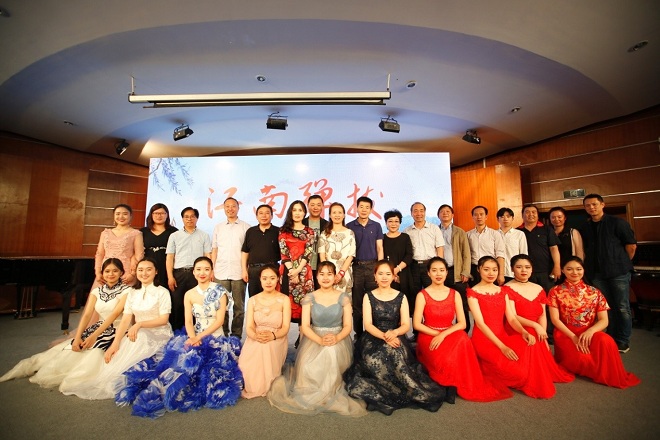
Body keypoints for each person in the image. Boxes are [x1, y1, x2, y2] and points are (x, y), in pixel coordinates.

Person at [116, 257, 242, 418]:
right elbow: (188, 321)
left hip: (215, 338)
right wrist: (192, 337)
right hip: (193, 336)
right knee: (177, 366)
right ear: (193, 272)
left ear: (212, 272)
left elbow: (220, 321)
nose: (202, 273)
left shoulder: (220, 291)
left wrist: (198, 338)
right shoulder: (189, 294)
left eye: (206, 269)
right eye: (198, 269)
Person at [0, 258, 130, 389]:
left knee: (93, 353)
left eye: (115, 271)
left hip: (117, 328)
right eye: (107, 271)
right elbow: (86, 315)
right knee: (69, 348)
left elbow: (114, 314)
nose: (111, 274)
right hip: (98, 326)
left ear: (121, 272)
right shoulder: (97, 291)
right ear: (102, 273)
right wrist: (77, 337)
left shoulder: (127, 290)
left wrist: (94, 336)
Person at [343, 260, 450, 415]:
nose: (384, 277)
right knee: (373, 359)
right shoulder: (368, 296)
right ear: (375, 276)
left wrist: (394, 333)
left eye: (388, 274)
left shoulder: (401, 296)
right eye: (380, 274)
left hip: (396, 334)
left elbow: (406, 324)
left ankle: (407, 389)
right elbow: (368, 324)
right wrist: (385, 337)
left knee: (397, 357)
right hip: (374, 336)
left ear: (394, 276)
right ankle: (383, 390)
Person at [61, 258, 173, 399]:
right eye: (140, 270)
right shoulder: (132, 292)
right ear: (136, 272)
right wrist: (115, 344)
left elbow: (163, 320)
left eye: (148, 269)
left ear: (156, 272)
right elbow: (125, 320)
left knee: (139, 338)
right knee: (122, 347)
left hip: (158, 331)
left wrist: (139, 324)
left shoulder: (162, 292)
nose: (144, 273)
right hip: (136, 332)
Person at [268, 261, 367, 416]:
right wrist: (320, 340)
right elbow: (305, 326)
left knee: (331, 354)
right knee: (308, 366)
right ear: (317, 276)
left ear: (335, 276)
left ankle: (329, 392)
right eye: (322, 274)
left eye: (329, 274)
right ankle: (315, 392)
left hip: (338, 339)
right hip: (314, 339)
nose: (325, 278)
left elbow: (348, 326)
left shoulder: (344, 298)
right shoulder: (309, 298)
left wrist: (336, 338)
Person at [413, 257, 512, 402]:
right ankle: (449, 384)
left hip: (448, 333)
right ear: (428, 273)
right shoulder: (422, 295)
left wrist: (444, 334)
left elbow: (462, 323)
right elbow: (417, 324)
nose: (438, 274)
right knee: (446, 359)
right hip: (429, 335)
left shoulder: (455, 294)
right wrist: (437, 334)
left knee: (463, 338)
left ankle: (455, 385)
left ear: (447, 273)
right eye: (434, 271)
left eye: (442, 270)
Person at [467, 256, 558, 399]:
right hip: (485, 340)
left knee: (529, 343)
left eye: (494, 270)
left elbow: (512, 318)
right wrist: (503, 347)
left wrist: (523, 332)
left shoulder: (503, 291)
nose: (491, 273)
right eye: (486, 269)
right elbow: (480, 324)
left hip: (503, 336)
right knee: (519, 373)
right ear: (478, 270)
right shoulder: (473, 292)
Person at [548, 257, 640, 388]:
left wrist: (590, 331)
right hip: (566, 334)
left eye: (578, 269)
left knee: (607, 341)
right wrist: (573, 337)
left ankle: (609, 373)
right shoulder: (555, 291)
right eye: (569, 269)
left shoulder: (594, 292)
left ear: (584, 270)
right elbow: (555, 320)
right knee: (583, 360)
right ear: (562, 270)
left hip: (589, 333)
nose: (575, 272)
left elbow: (604, 320)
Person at [580, 194, 637, 353]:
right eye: (588, 205)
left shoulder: (617, 223)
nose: (591, 207)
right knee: (606, 308)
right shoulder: (585, 226)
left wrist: (621, 262)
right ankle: (611, 338)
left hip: (618, 272)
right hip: (597, 274)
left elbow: (631, 246)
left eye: (594, 204)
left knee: (622, 307)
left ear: (602, 205)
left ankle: (623, 340)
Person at [504, 255, 574, 383]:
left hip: (536, 329)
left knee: (538, 338)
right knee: (532, 335)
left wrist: (544, 334)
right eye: (519, 267)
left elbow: (542, 315)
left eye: (527, 267)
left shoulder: (539, 288)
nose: (524, 270)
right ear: (512, 269)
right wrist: (535, 326)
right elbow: (513, 317)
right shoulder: (506, 288)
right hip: (516, 328)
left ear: (532, 269)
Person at [238, 265, 291, 398]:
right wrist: (256, 336)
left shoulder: (284, 299)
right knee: (246, 364)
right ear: (260, 280)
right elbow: (249, 327)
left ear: (278, 279)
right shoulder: (252, 300)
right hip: (256, 336)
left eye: (272, 278)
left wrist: (273, 336)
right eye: (265, 278)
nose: (268, 282)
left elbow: (285, 327)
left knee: (266, 347)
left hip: (277, 337)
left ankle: (266, 383)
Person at [166, 207, 212, 331]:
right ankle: (177, 333)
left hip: (197, 274)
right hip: (179, 274)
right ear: (182, 219)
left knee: (197, 304)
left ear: (197, 218)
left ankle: (196, 332)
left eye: (192, 216)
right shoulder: (174, 236)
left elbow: (207, 255)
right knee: (177, 304)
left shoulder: (204, 235)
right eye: (186, 217)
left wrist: (208, 274)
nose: (189, 219)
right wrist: (170, 276)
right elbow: (170, 257)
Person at [211, 197, 250, 338]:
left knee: (239, 307)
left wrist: (246, 269)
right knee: (222, 307)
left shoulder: (246, 227)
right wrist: (212, 269)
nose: (230, 209)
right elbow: (214, 249)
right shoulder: (218, 227)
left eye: (233, 206)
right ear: (224, 208)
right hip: (220, 272)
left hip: (239, 272)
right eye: (227, 206)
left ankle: (236, 336)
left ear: (238, 208)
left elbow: (248, 251)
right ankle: (223, 335)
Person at [404, 202, 444, 339]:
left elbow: (440, 249)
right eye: (415, 211)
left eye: (421, 210)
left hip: (430, 266)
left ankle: (433, 328)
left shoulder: (434, 228)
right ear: (411, 213)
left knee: (433, 297)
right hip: (414, 266)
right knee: (416, 299)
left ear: (425, 212)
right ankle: (417, 332)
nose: (418, 213)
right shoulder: (407, 231)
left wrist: (439, 269)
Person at [346, 196, 384, 338]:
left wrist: (380, 268)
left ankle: (373, 333)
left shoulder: (376, 226)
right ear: (356, 208)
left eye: (367, 207)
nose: (364, 210)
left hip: (372, 266)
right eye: (361, 207)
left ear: (371, 209)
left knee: (374, 300)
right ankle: (359, 333)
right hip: (356, 267)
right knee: (357, 303)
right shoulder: (349, 226)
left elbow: (379, 248)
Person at [278, 200, 316, 324]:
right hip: (287, 272)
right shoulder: (283, 231)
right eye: (294, 210)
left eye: (300, 210)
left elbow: (308, 252)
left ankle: (303, 335)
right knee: (285, 308)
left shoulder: (310, 231)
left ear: (304, 213)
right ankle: (283, 334)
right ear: (290, 212)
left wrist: (298, 270)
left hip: (304, 272)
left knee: (305, 307)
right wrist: (292, 271)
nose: (297, 213)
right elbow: (284, 253)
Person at [437, 204, 472, 333]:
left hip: (456, 272)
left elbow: (466, 253)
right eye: (442, 211)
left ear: (452, 215)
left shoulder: (460, 231)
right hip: (440, 273)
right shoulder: (434, 230)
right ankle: (443, 328)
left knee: (461, 303)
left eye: (448, 211)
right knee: (441, 302)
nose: (445, 213)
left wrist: (465, 271)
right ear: (438, 215)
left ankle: (464, 330)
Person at [93, 204, 144, 289]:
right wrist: (98, 272)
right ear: (114, 216)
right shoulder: (105, 233)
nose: (121, 217)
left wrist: (133, 274)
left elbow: (139, 255)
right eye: (118, 214)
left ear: (130, 216)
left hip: (126, 274)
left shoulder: (136, 234)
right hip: (106, 272)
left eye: (125, 214)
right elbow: (99, 254)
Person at [518, 204, 561, 294]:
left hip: (546, 271)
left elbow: (554, 248)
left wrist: (557, 266)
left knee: (548, 297)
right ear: (522, 215)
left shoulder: (547, 229)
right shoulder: (517, 231)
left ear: (538, 215)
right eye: (527, 212)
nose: (531, 214)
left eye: (533, 212)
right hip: (526, 272)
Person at [241, 204, 281, 298]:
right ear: (256, 216)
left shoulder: (278, 231)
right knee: (254, 299)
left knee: (272, 299)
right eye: (261, 213)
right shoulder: (251, 231)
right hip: (254, 271)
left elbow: (284, 252)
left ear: (272, 216)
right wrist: (244, 270)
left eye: (267, 213)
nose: (264, 216)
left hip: (272, 270)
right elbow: (245, 252)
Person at [318, 202, 356, 294]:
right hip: (327, 276)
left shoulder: (350, 233)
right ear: (330, 215)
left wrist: (341, 274)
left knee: (344, 301)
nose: (337, 215)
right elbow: (322, 257)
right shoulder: (324, 234)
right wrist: (328, 274)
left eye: (340, 212)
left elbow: (351, 256)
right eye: (334, 212)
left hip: (345, 273)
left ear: (344, 215)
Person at [382, 209, 413, 315]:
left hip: (404, 274)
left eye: (396, 221)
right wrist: (391, 273)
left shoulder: (405, 237)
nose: (393, 224)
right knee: (389, 305)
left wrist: (397, 269)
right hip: (387, 276)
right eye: (390, 221)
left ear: (400, 223)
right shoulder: (382, 238)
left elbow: (409, 256)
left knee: (405, 305)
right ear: (386, 223)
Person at [466, 206, 506, 286]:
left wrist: (501, 274)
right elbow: (465, 255)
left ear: (486, 217)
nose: (479, 217)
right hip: (474, 270)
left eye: (481, 214)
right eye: (476, 215)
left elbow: (500, 255)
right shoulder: (467, 235)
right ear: (472, 217)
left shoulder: (495, 234)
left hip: (490, 269)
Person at [141, 203, 178, 288]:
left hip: (167, 268)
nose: (159, 216)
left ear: (167, 215)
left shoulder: (174, 232)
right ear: (151, 215)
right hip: (148, 267)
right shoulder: (143, 231)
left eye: (162, 213)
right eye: (156, 213)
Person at [303, 194, 329, 288]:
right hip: (303, 266)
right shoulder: (301, 223)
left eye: (318, 205)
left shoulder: (327, 225)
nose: (315, 207)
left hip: (321, 267)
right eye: (312, 205)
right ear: (308, 206)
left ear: (322, 206)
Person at [496, 207, 528, 282]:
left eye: (508, 216)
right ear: (498, 219)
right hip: (497, 273)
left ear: (512, 218)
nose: (505, 219)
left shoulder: (519, 234)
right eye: (502, 216)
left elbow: (523, 254)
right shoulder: (494, 234)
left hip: (514, 273)